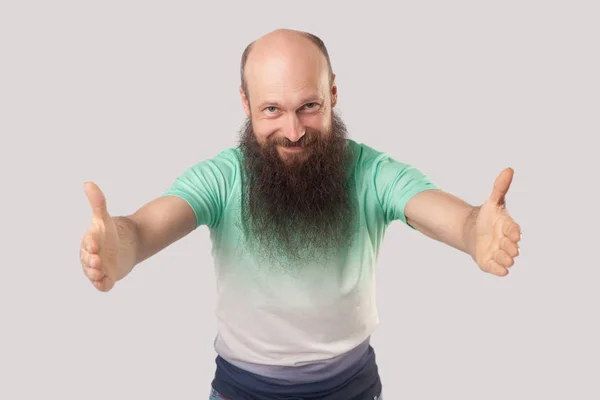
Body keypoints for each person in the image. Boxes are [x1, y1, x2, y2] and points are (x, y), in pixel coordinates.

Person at [79, 29, 522, 400]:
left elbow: (438, 211)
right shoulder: (222, 176)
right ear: (246, 103)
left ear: (332, 94)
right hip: (241, 391)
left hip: (353, 388)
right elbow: (145, 227)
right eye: (272, 109)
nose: (293, 132)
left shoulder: (372, 172)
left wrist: (472, 231)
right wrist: (123, 245)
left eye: (309, 107)